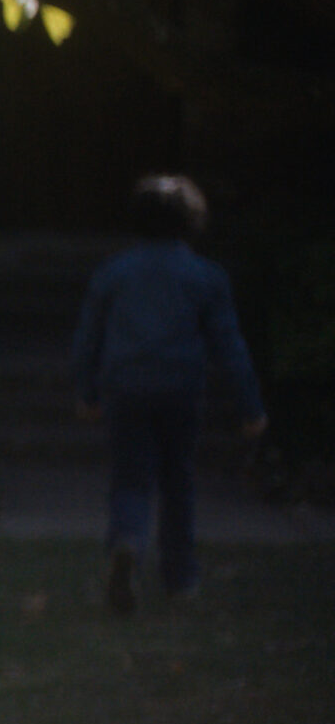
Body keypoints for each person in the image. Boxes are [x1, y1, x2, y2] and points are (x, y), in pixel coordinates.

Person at [72, 174, 268, 614]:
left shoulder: (114, 272)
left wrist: (86, 391)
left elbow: (88, 338)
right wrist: (250, 406)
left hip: (126, 387)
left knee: (130, 478)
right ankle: (180, 577)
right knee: (178, 480)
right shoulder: (205, 276)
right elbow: (229, 345)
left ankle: (127, 542)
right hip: (181, 388)